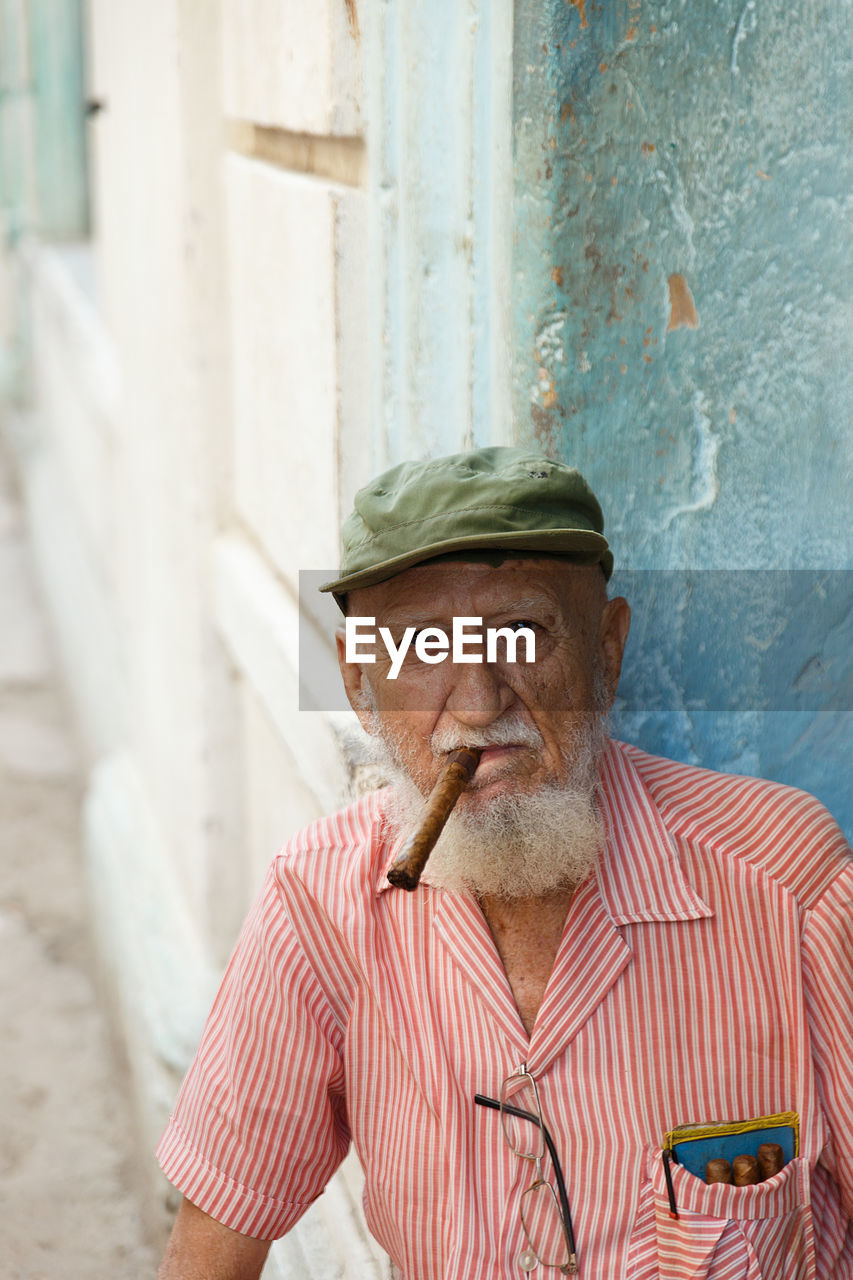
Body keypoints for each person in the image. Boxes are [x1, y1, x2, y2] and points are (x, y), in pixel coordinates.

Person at [155, 447, 852, 1279]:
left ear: (605, 651)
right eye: (420, 648)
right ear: (356, 681)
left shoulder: (784, 883)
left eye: (521, 635)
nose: (479, 702)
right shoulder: (319, 900)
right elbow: (215, 1236)